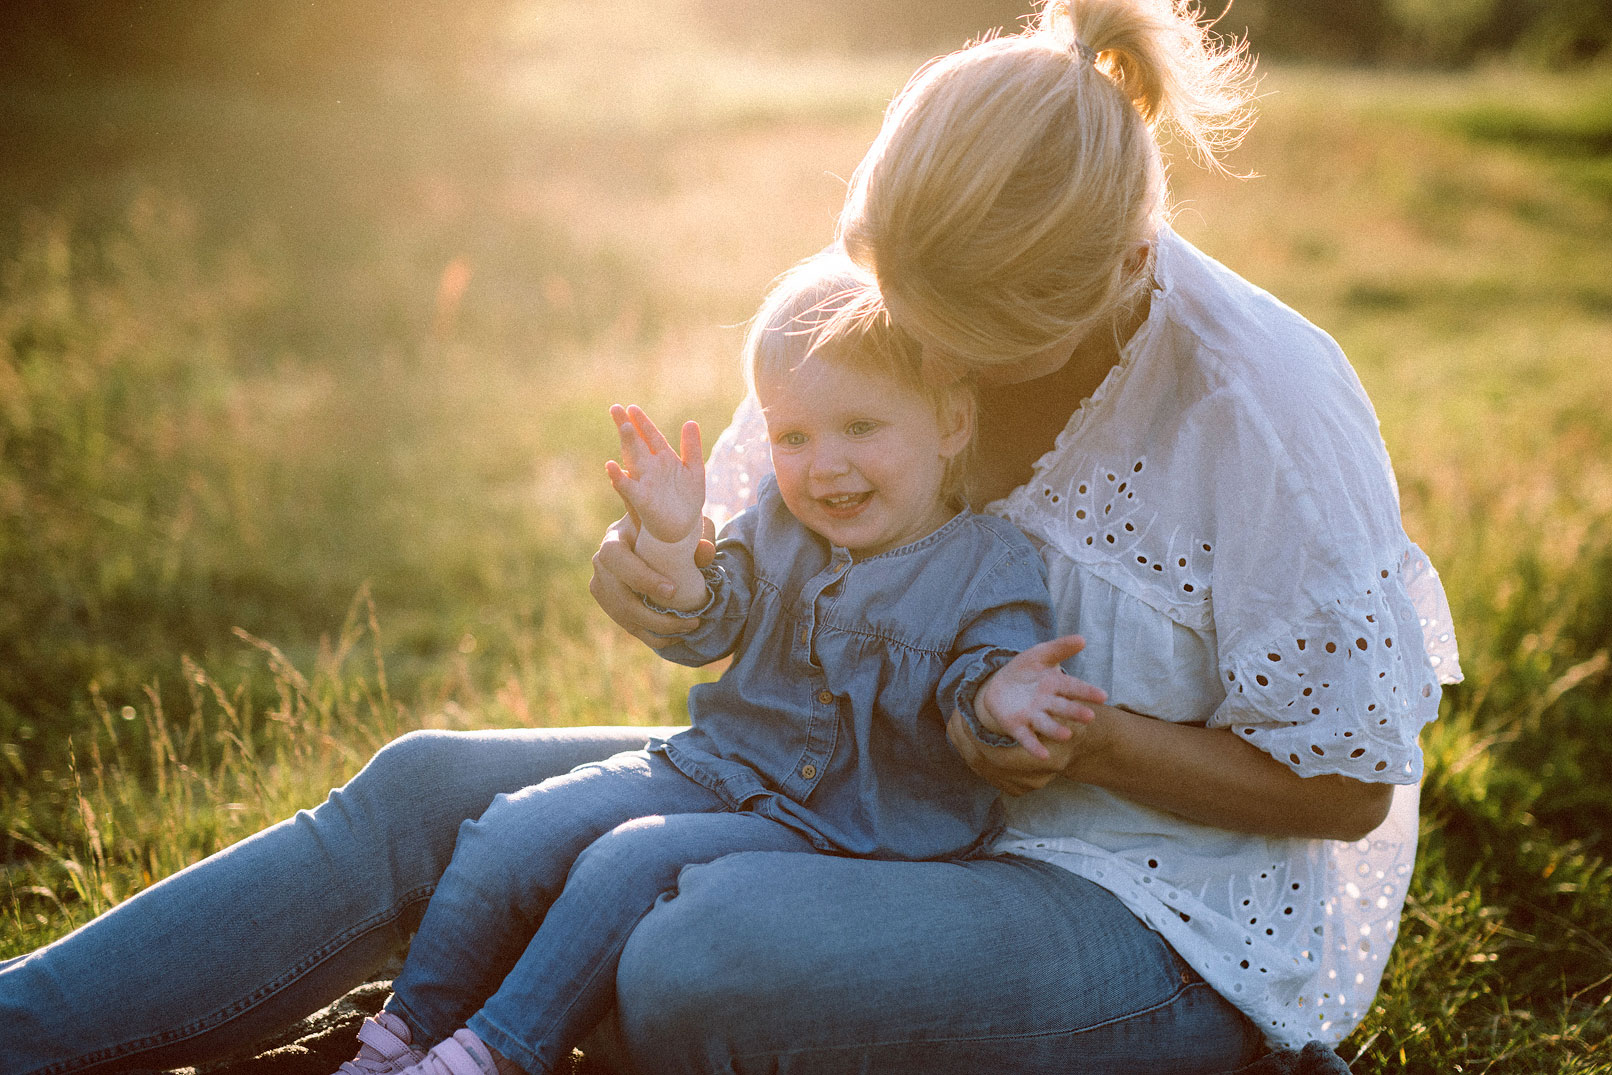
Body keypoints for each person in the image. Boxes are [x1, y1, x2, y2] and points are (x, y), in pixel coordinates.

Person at [0, 0, 1463, 1072]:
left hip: (1139, 902)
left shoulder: (1261, 409)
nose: (924, 359)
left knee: (694, 951)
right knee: (425, 789)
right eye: (899, 309)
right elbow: (762, 572)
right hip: (848, 787)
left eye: (967, 344)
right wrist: (667, 576)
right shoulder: (898, 291)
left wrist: (1081, 739)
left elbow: (1345, 790)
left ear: (1118, 273)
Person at [326, 258, 1107, 1075]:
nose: (824, 464)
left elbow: (982, 680)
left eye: (860, 427)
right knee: (513, 828)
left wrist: (1000, 698)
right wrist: (673, 547)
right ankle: (400, 1034)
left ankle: (495, 1051)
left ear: (950, 422)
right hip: (716, 766)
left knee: (624, 864)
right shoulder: (778, 519)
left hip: (849, 830)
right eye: (793, 436)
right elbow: (711, 619)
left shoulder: (989, 563)